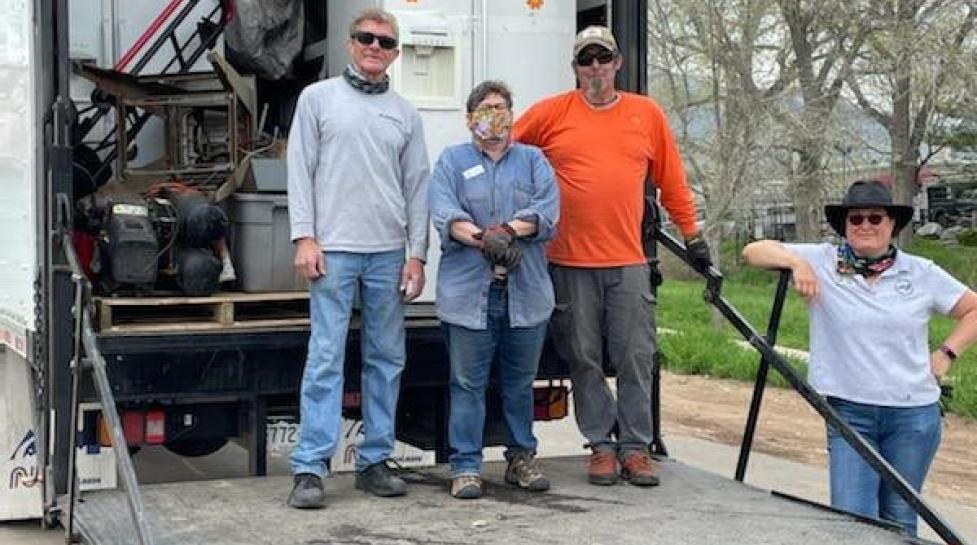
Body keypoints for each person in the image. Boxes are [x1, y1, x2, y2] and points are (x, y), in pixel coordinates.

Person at [512, 25, 711, 487]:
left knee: (636, 356)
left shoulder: (646, 114)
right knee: (583, 357)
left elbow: (673, 181)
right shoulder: (550, 114)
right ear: (576, 68)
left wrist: (693, 237)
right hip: (568, 261)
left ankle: (636, 448)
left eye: (604, 57)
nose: (596, 66)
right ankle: (601, 447)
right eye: (587, 59)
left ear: (618, 63)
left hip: (627, 261)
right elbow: (505, 152)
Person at [741, 180, 977, 536]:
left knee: (899, 515)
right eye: (856, 219)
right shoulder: (823, 260)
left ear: (892, 225)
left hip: (912, 415)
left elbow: (973, 309)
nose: (865, 225)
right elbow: (753, 251)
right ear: (845, 226)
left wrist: (945, 354)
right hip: (850, 412)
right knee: (852, 520)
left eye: (875, 218)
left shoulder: (920, 272)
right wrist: (795, 263)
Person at [285, 8, 430, 508]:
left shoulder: (405, 114)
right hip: (334, 251)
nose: (375, 47)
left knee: (386, 359)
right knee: (325, 357)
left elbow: (418, 188)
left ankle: (374, 460)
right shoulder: (318, 99)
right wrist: (304, 236)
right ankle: (309, 467)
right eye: (367, 38)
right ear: (350, 44)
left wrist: (418, 255)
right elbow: (299, 169)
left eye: (386, 42)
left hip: (388, 254)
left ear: (395, 54)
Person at [429, 80, 560, 499]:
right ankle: (466, 466)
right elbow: (446, 213)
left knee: (520, 384)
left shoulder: (534, 160)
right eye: (486, 107)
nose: (494, 114)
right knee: (466, 384)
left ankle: (521, 458)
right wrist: (486, 240)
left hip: (526, 295)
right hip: (469, 296)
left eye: (502, 107)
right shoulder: (451, 162)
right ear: (470, 118)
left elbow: (546, 212)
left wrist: (505, 231)